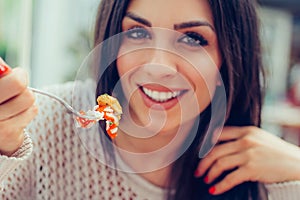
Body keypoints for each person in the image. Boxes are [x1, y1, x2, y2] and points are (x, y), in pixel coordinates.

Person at [0, 0, 300, 199]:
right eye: (138, 33)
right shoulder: (36, 129)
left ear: (231, 57)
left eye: (192, 38)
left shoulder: (261, 170)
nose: (159, 66)